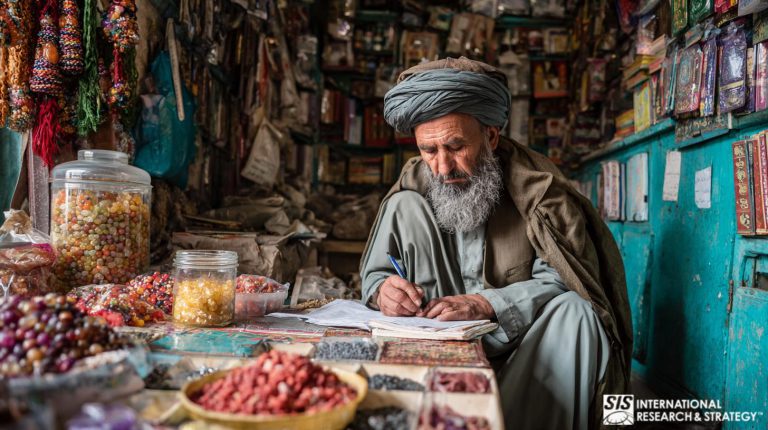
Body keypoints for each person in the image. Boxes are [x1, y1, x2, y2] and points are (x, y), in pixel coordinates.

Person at [359, 57, 632, 430]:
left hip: (525, 354)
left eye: (455, 146)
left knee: (579, 312)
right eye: (429, 151)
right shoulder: (413, 187)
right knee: (404, 206)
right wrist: (384, 292)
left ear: (490, 136)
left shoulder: (540, 193)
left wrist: (486, 304)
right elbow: (376, 277)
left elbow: (569, 280)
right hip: (438, 351)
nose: (442, 167)